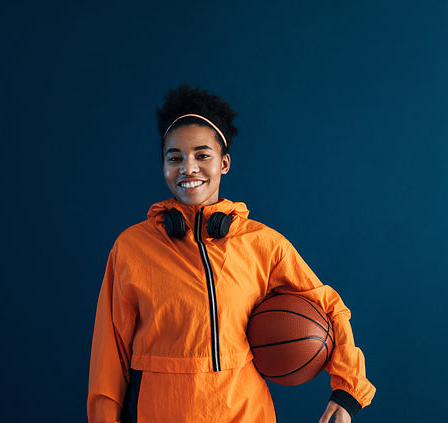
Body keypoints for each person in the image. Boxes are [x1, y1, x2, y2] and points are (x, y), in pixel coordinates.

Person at [87, 84, 376, 423]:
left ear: (224, 163)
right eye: (174, 157)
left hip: (246, 413)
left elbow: (330, 306)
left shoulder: (263, 244)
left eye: (202, 155)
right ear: (163, 165)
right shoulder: (132, 248)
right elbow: (109, 355)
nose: (188, 168)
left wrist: (347, 391)